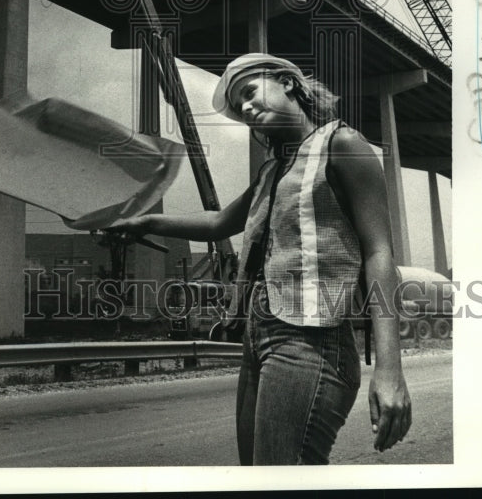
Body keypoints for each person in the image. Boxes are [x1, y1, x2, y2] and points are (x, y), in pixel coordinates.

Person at [111, 53, 411, 465]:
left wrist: (390, 370)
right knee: (256, 473)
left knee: (282, 474)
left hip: (312, 342)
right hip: (260, 336)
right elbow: (219, 223)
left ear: (288, 83)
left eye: (250, 93)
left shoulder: (342, 144)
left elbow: (380, 253)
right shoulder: (273, 170)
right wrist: (146, 222)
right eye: (239, 108)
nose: (247, 109)